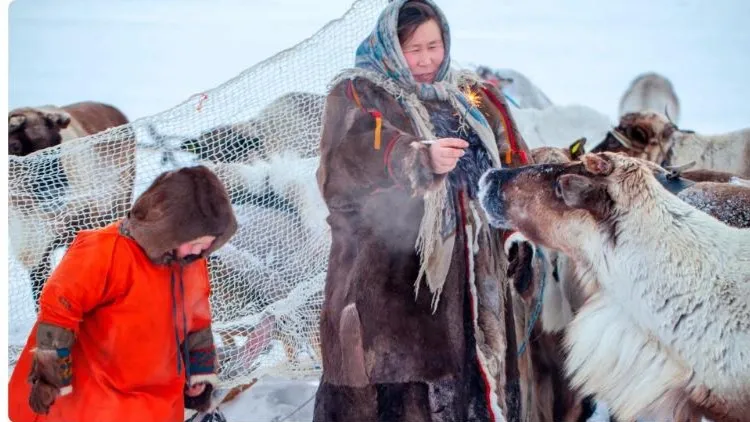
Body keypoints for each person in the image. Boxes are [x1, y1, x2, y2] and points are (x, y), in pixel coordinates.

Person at [313, 0, 533, 421]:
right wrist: (414, 158)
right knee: (400, 399)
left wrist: (518, 233)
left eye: (434, 46)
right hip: (391, 288)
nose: (428, 59)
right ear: (392, 49)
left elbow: (510, 169)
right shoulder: (359, 94)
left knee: (472, 389)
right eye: (414, 50)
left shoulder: (470, 99)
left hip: (474, 280)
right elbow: (341, 170)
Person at [8, 165, 238, 422]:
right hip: (96, 398)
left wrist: (200, 374)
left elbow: (197, 322)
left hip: (155, 400)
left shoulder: (190, 263)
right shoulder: (105, 252)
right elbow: (59, 312)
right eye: (195, 242)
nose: (200, 252)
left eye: (207, 245)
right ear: (166, 229)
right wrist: (49, 378)